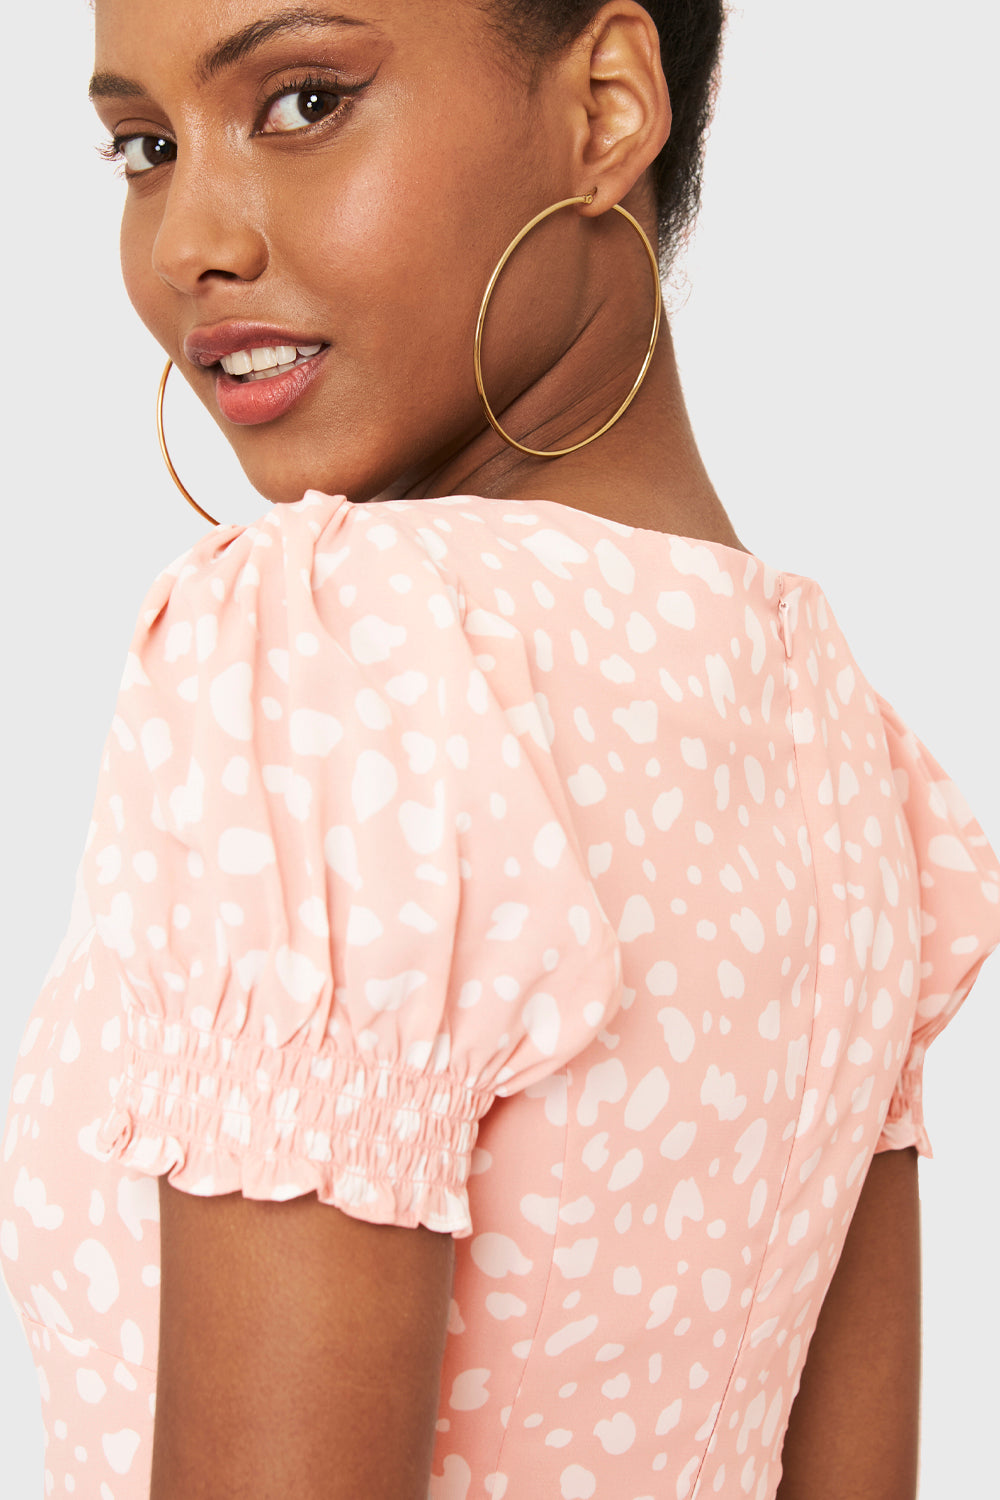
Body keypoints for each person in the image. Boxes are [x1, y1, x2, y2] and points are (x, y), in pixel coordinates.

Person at [0, 2, 997, 1497]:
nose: (189, 243)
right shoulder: (832, 734)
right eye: (146, 148)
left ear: (606, 108)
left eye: (302, 102)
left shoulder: (340, 654)